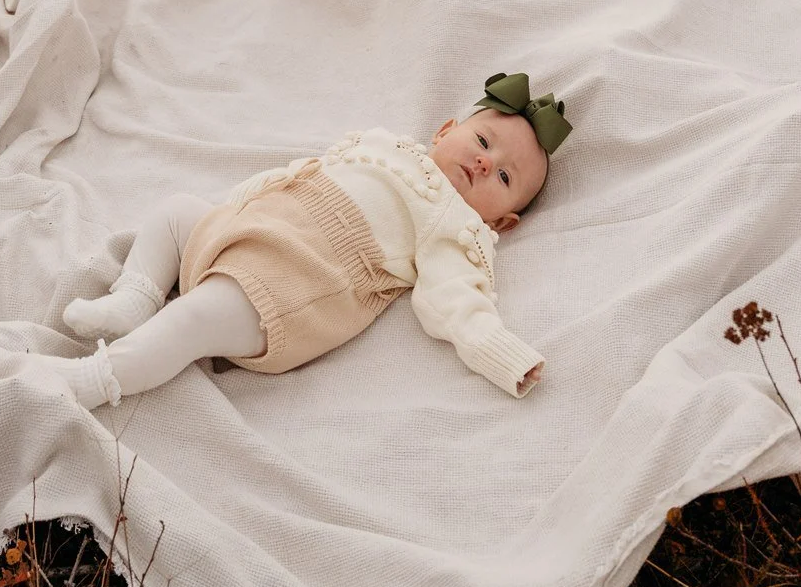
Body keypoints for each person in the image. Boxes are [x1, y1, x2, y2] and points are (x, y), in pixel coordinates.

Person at [37, 72, 571, 409]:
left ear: (502, 224)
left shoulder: (454, 226)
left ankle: (92, 381)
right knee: (176, 213)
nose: (484, 162)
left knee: (193, 319)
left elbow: (457, 303)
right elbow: (303, 171)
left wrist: (504, 355)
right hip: (253, 228)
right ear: (445, 130)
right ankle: (135, 298)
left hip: (292, 288)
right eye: (483, 140)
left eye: (505, 176)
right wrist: (238, 207)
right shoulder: (385, 146)